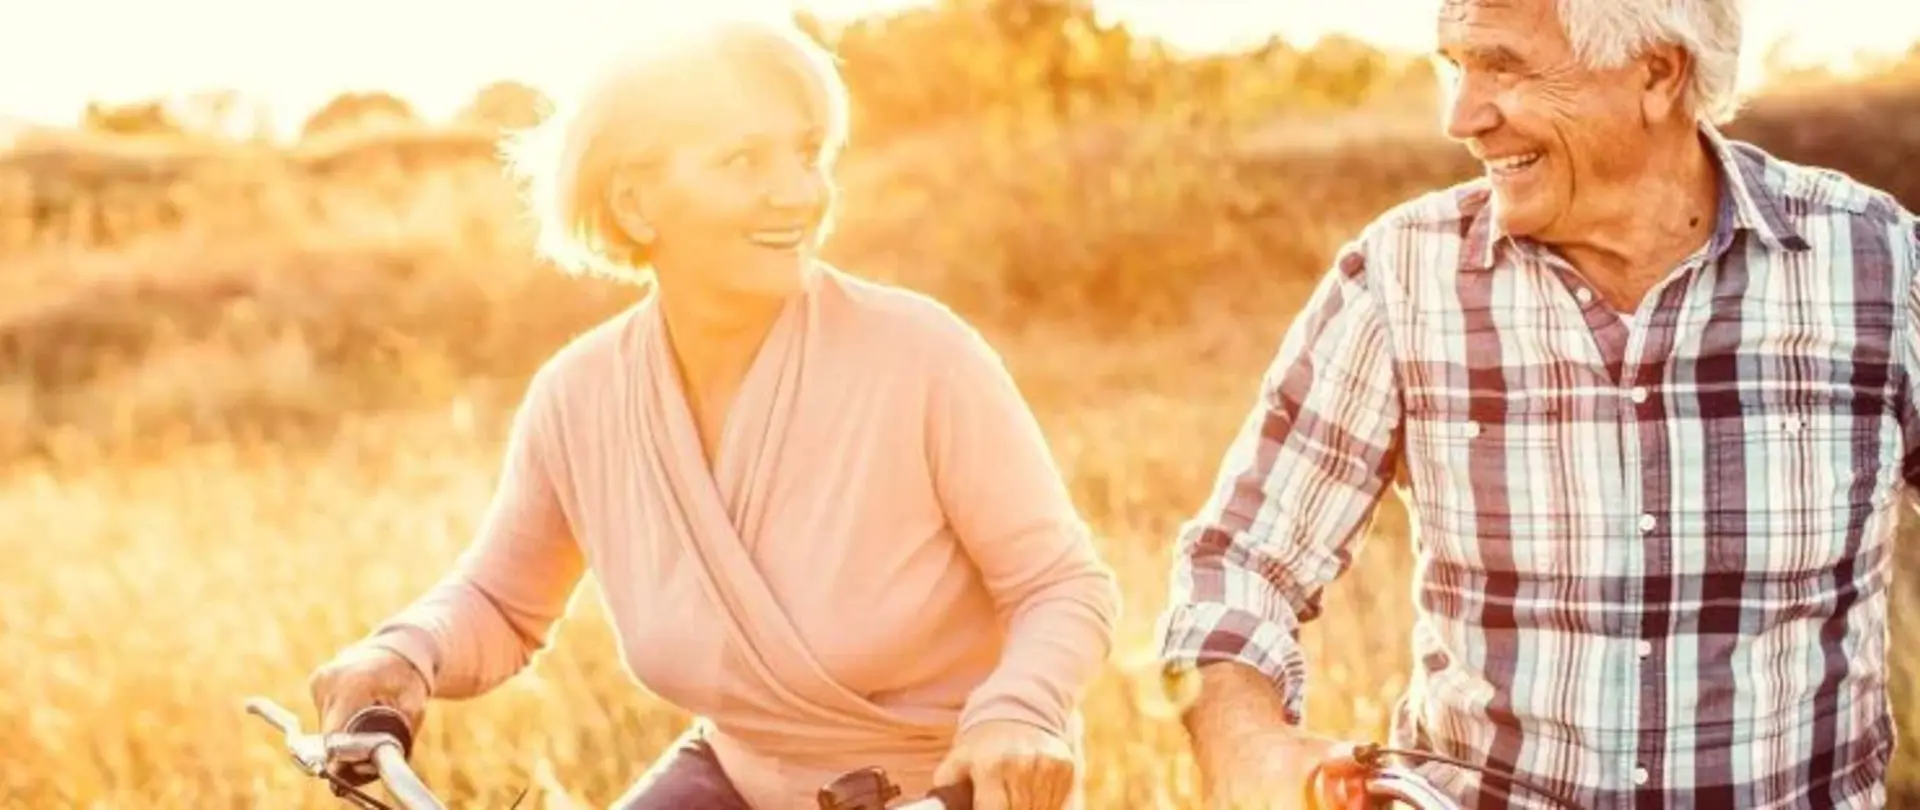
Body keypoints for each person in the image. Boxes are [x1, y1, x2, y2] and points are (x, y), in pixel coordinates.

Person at [304, 15, 1121, 810]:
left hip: (953, 788)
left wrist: (1019, 712)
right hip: (736, 775)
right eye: (744, 159)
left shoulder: (922, 354)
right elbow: (501, 603)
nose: (799, 192)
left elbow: (1060, 585)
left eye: (806, 154)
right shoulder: (579, 396)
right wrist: (403, 653)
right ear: (634, 203)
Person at [1156, 0, 1916, 808]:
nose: (1462, 117)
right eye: (1456, 66)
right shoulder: (1404, 275)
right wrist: (1246, 744)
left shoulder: (1876, 264)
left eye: (1504, 67)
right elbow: (1239, 564)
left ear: (1658, 74)